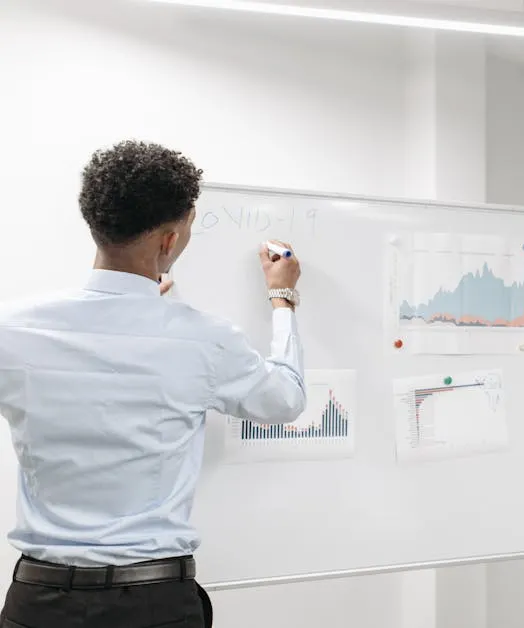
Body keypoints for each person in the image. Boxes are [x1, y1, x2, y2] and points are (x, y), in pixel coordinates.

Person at [0, 140, 306, 627]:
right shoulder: (203, 339)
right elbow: (285, 400)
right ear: (169, 240)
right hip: (152, 605)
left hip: (38, 603)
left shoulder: (11, 328)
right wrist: (283, 299)